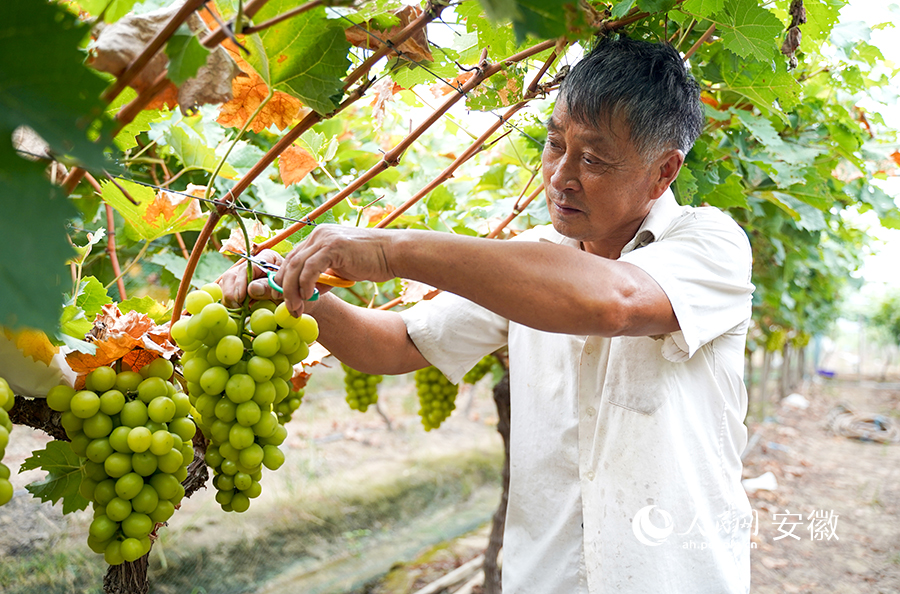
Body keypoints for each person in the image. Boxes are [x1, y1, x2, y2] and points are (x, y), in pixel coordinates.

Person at [221, 37, 754, 594]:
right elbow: (398, 343)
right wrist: (295, 288)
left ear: (663, 172)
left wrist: (388, 249)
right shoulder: (530, 261)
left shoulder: (710, 244)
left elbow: (615, 302)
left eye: (593, 159)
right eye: (554, 145)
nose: (560, 175)